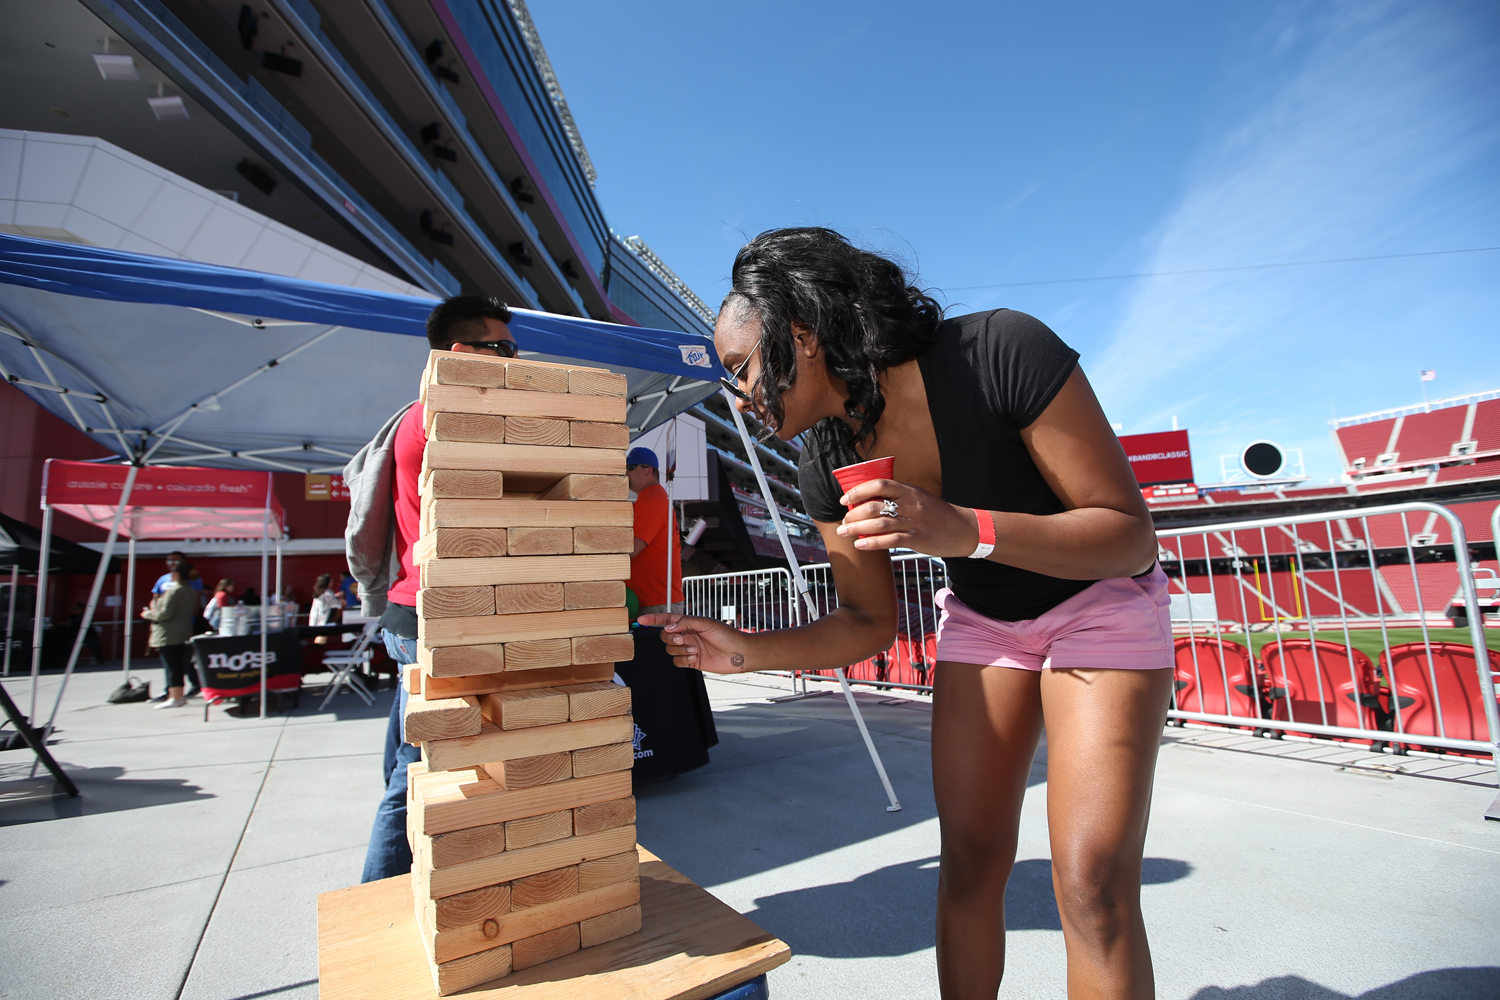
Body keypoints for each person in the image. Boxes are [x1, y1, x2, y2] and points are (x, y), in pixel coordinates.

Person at [642, 228, 1171, 1000]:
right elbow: (866, 620)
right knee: (970, 860)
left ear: (802, 335)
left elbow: (1128, 536)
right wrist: (743, 649)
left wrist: (964, 529)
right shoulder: (821, 457)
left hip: (1101, 607)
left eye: (742, 369)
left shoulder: (1001, 350)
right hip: (986, 624)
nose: (739, 395)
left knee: (1091, 882)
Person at [345, 294, 517, 883]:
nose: (514, 362)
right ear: (462, 353)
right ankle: (380, 895)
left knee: (407, 754)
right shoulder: (446, 416)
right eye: (504, 350)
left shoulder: (417, 416)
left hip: (411, 613)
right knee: (422, 769)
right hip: (437, 618)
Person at [625, 447, 685, 617]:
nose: (625, 473)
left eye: (630, 468)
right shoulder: (653, 498)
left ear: (648, 471)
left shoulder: (651, 499)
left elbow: (631, 548)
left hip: (654, 602)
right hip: (655, 600)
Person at [141, 559, 201, 710]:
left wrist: (147, 614)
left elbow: (164, 613)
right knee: (177, 665)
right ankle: (176, 696)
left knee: (171, 666)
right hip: (182, 631)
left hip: (169, 634)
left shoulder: (175, 591)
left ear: (177, 574)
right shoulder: (189, 589)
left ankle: (176, 697)